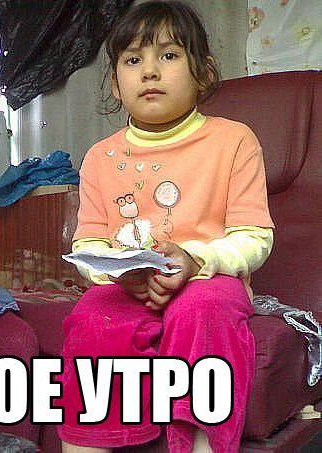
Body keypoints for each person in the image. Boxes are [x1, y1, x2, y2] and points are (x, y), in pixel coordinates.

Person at [57, 2, 274, 452]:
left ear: (204, 73)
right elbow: (89, 243)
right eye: (133, 60)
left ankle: (199, 443)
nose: (149, 71)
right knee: (92, 315)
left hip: (206, 281)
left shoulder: (234, 140)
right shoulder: (100, 156)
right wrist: (120, 273)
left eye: (169, 55)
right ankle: (89, 442)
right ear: (115, 83)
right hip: (129, 287)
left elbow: (255, 237)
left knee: (203, 309)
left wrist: (197, 260)